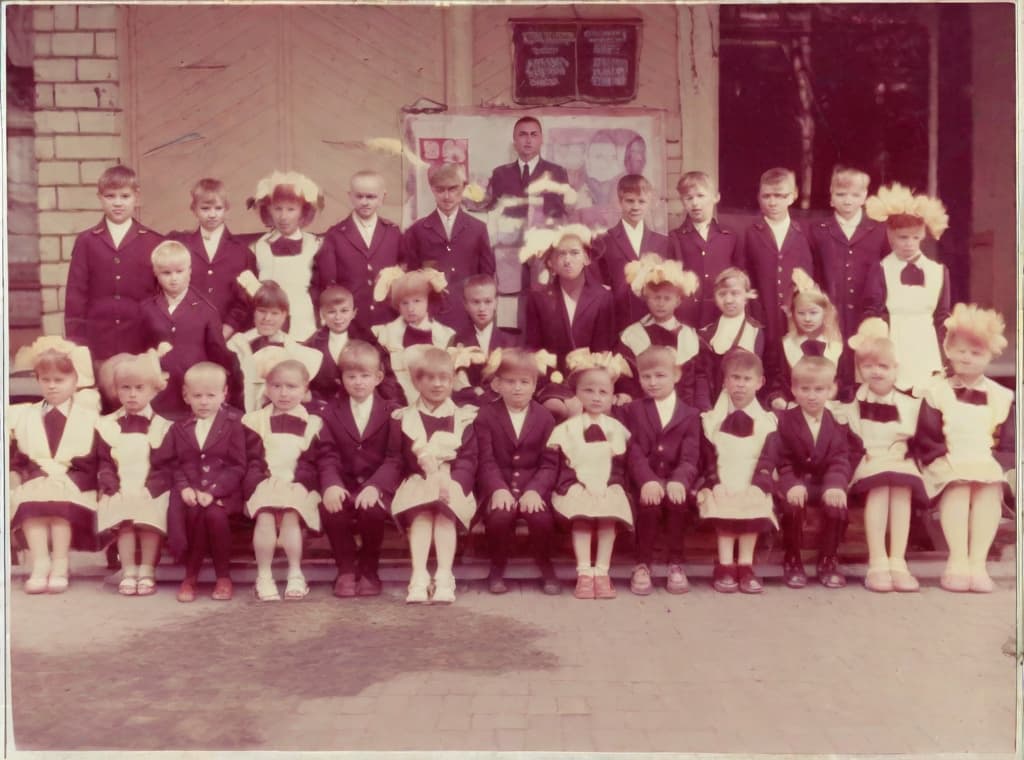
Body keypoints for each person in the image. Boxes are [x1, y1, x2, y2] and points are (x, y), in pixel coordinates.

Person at [366, 348, 479, 604]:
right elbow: (395, 459)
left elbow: (469, 459)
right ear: (417, 381)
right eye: (429, 378)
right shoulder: (404, 418)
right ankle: (418, 575)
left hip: (453, 480)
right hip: (419, 479)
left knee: (444, 513)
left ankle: (444, 575)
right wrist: (378, 485)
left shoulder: (463, 417)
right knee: (421, 513)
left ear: (452, 381)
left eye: (444, 378)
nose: (437, 384)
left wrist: (454, 483)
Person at [915, 304, 1014, 593]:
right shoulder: (936, 391)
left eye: (975, 353)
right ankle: (957, 561)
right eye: (960, 350)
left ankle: (977, 563)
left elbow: (1006, 441)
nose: (966, 358)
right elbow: (927, 436)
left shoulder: (1001, 396)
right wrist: (939, 460)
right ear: (947, 350)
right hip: (945, 461)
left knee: (989, 487)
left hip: (983, 461)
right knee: (959, 485)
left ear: (990, 356)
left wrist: (999, 465)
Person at [156, 362, 257, 603]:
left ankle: (217, 576)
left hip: (225, 492)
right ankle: (193, 577)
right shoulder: (179, 428)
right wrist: (184, 488)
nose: (203, 402)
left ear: (224, 394)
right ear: (185, 395)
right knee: (198, 513)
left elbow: (237, 465)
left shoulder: (234, 424)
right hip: (191, 492)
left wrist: (214, 491)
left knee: (212, 514)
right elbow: (173, 463)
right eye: (197, 395)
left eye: (211, 395)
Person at [8, 338, 101, 593]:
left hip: (74, 480)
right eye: (45, 380)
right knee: (29, 502)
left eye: (59, 380)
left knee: (59, 503)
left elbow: (92, 459)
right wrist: (22, 476)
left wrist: (66, 477)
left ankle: (60, 562)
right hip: (36, 477)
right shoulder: (26, 415)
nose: (52, 386)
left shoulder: (88, 417)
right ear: (37, 380)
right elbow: (21, 459)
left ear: (75, 381)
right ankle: (40, 562)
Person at [840, 319, 925, 593]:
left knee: (900, 486)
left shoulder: (909, 403)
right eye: (868, 366)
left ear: (895, 370)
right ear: (859, 369)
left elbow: (916, 438)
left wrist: (906, 453)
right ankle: (877, 561)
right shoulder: (853, 403)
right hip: (868, 460)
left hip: (899, 460)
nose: (876, 372)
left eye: (883, 367)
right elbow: (849, 438)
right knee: (880, 485)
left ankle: (897, 561)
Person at [753, 356, 852, 589]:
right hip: (795, 482)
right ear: (794, 390)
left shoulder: (837, 422)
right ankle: (793, 558)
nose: (812, 395)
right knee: (792, 505)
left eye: (819, 389)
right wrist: (790, 483)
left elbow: (840, 458)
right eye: (805, 389)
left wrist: (835, 484)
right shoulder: (785, 421)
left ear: (831, 390)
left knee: (838, 505)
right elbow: (781, 458)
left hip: (823, 483)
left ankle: (828, 559)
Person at [546, 350, 634, 600]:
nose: (596, 397)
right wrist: (573, 485)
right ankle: (584, 571)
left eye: (603, 392)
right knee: (582, 517)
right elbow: (562, 465)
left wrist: (610, 484)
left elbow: (620, 464)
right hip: (576, 485)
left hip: (607, 484)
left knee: (608, 517)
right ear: (576, 393)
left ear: (612, 396)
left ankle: (602, 572)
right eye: (589, 391)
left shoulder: (617, 430)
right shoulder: (567, 429)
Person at [316, 340, 399, 598]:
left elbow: (395, 458)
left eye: (365, 376)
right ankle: (346, 569)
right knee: (332, 508)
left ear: (378, 377)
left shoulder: (391, 411)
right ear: (341, 379)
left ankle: (369, 569)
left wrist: (376, 486)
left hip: (378, 485)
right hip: (345, 482)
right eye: (351, 376)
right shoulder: (330, 412)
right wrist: (331, 483)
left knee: (372, 511)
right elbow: (326, 454)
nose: (359, 382)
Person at [475, 348, 561, 595]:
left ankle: (545, 563)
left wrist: (535, 491)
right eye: (510, 382)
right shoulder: (486, 416)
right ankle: (497, 567)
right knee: (499, 518)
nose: (517, 388)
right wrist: (498, 489)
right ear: (497, 384)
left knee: (541, 519)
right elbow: (486, 460)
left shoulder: (545, 418)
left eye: (524, 382)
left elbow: (549, 463)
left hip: (532, 487)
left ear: (534, 385)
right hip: (499, 485)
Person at [697, 349, 778, 594]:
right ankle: (725, 564)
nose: (740, 385)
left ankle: (745, 563)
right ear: (725, 381)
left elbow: (769, 456)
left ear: (759, 382)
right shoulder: (712, 420)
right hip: (723, 478)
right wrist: (714, 482)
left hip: (751, 478)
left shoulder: (768, 422)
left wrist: (759, 484)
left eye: (747, 379)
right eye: (735, 378)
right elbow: (707, 456)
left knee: (751, 506)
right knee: (725, 506)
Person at [64, 164, 163, 363]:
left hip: (141, 341)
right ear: (100, 197)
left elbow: (161, 295)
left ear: (137, 197)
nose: (118, 203)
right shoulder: (87, 241)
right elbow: (76, 294)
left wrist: (159, 341)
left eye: (125, 196)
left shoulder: (153, 241)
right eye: (110, 196)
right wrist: (77, 342)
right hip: (98, 341)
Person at [242, 357, 323, 601]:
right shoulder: (255, 421)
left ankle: (295, 572)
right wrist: (259, 483)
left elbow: (311, 461)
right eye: (276, 386)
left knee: (291, 513)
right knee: (265, 515)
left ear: (305, 390)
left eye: (291, 387)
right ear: (267, 388)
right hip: (265, 482)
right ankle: (264, 575)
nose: (283, 393)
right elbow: (252, 458)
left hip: (298, 483)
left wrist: (300, 482)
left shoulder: (314, 423)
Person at [622, 346, 701, 595]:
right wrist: (646, 480)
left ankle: (676, 563)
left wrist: (679, 480)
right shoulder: (632, 411)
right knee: (650, 504)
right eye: (646, 377)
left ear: (676, 375)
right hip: (644, 481)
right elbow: (633, 451)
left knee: (678, 502)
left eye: (660, 375)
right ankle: (642, 563)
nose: (652, 382)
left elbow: (690, 457)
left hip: (674, 479)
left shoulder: (690, 415)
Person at [95, 350, 174, 596]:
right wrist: (110, 482)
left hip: (151, 485)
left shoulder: (163, 425)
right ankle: (129, 569)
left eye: (139, 388)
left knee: (148, 518)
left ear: (153, 390)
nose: (131, 395)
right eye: (125, 388)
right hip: (120, 483)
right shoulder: (107, 425)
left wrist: (151, 487)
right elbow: (104, 460)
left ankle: (147, 569)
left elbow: (164, 463)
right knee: (124, 518)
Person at [521, 225, 617, 420]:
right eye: (560, 254)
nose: (567, 260)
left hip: (591, 379)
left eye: (574, 253)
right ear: (551, 262)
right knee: (555, 408)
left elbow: (603, 348)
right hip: (553, 379)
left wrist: (588, 382)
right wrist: (551, 377)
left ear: (587, 258)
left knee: (597, 411)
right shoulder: (538, 297)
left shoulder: (602, 297)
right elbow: (533, 347)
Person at [865, 183, 951, 392]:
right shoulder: (882, 269)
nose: (909, 244)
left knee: (928, 399)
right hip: (895, 344)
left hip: (927, 346)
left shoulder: (938, 271)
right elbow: (872, 312)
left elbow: (942, 316)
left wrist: (946, 356)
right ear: (890, 235)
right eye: (903, 237)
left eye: (915, 238)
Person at [138, 240, 236, 419]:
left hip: (196, 395)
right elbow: (141, 350)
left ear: (190, 271)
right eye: (166, 273)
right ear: (156, 273)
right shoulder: (146, 308)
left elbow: (218, 354)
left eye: (179, 271)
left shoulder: (206, 309)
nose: (174, 278)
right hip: (160, 393)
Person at [402, 162, 495, 333]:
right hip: (432, 315)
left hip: (468, 315)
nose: (446, 196)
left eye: (453, 189)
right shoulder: (418, 230)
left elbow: (487, 276)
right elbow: (412, 279)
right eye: (440, 190)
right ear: (432, 189)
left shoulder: (478, 228)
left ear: (464, 187)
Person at [167, 178, 258, 338]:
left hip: (228, 334)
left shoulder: (242, 253)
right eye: (205, 208)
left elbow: (245, 299)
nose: (212, 214)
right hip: (187, 331)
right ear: (194, 209)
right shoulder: (182, 246)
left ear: (226, 209)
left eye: (218, 208)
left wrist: (228, 328)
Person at [313, 170, 404, 329]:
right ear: (350, 196)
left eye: (371, 197)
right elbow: (328, 284)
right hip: (351, 321)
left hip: (388, 320)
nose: (364, 202)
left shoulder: (393, 232)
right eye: (359, 196)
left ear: (383, 197)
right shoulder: (335, 235)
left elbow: (403, 272)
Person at [737, 167, 815, 346]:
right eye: (766, 196)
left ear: (793, 195)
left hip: (796, 315)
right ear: (758, 196)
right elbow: (745, 274)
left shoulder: (803, 232)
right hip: (762, 312)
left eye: (779, 196)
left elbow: (810, 273)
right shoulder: (751, 233)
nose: (772, 202)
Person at [616, 254, 702, 408]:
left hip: (683, 407)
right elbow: (626, 379)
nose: (661, 304)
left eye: (667, 298)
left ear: (678, 300)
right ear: (646, 298)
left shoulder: (688, 336)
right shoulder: (632, 335)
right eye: (656, 298)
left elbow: (698, 379)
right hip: (642, 406)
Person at [248, 170, 324, 341]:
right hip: (268, 323)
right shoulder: (258, 246)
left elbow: (321, 287)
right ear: (268, 210)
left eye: (291, 209)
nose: (283, 216)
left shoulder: (315, 245)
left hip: (303, 324)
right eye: (278, 209)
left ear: (303, 212)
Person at [227, 278, 322, 412]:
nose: (267, 318)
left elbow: (305, 393)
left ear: (284, 316)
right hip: (243, 410)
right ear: (253, 312)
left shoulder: (293, 348)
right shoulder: (239, 345)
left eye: (275, 313)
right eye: (262, 311)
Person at [594, 174, 670, 331]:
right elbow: (599, 288)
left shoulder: (662, 242)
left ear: (649, 203)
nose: (635, 207)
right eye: (630, 201)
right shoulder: (604, 241)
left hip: (654, 321)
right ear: (620, 202)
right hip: (618, 321)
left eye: (641, 201)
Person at [370, 267, 455, 405]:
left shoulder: (445, 336)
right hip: (398, 404)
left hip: (436, 405)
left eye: (417, 301)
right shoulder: (386, 335)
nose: (411, 308)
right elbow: (384, 379)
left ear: (428, 301)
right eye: (405, 303)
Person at [669, 171, 742, 328]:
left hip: (723, 312)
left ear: (716, 197)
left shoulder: (730, 236)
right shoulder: (675, 237)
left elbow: (740, 278)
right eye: (689, 198)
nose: (695, 203)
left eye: (701, 196)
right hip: (688, 315)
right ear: (682, 201)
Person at [304, 284, 399, 403]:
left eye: (344, 311)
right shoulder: (312, 345)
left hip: (364, 402)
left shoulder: (368, 340)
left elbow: (386, 378)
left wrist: (390, 404)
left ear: (353, 313)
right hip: (327, 405)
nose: (338, 317)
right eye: (331, 312)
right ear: (322, 314)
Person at [765, 269, 845, 410]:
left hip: (830, 409)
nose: (807, 319)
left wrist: (835, 391)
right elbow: (777, 382)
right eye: (801, 313)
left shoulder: (836, 345)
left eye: (813, 313)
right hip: (793, 408)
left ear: (825, 313)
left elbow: (845, 382)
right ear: (793, 314)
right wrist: (778, 398)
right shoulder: (786, 345)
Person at [469, 116, 570, 222]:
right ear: (515, 141)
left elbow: (561, 213)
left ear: (541, 140)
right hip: (508, 235)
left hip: (543, 235)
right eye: (523, 134)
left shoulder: (557, 172)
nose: (528, 140)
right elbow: (490, 208)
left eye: (534, 135)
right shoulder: (500, 174)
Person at [695, 267, 766, 409]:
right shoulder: (706, 334)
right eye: (722, 294)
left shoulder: (755, 331)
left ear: (746, 297)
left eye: (735, 293)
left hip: (745, 403)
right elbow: (701, 375)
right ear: (715, 298)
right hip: (714, 403)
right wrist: (705, 406)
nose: (728, 300)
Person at [449, 274, 520, 406]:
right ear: (465, 304)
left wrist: (483, 392)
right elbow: (457, 386)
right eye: (475, 302)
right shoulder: (457, 341)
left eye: (487, 301)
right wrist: (477, 392)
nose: (482, 308)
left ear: (496, 302)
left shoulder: (510, 341)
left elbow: (512, 381)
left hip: (502, 406)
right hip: (468, 406)